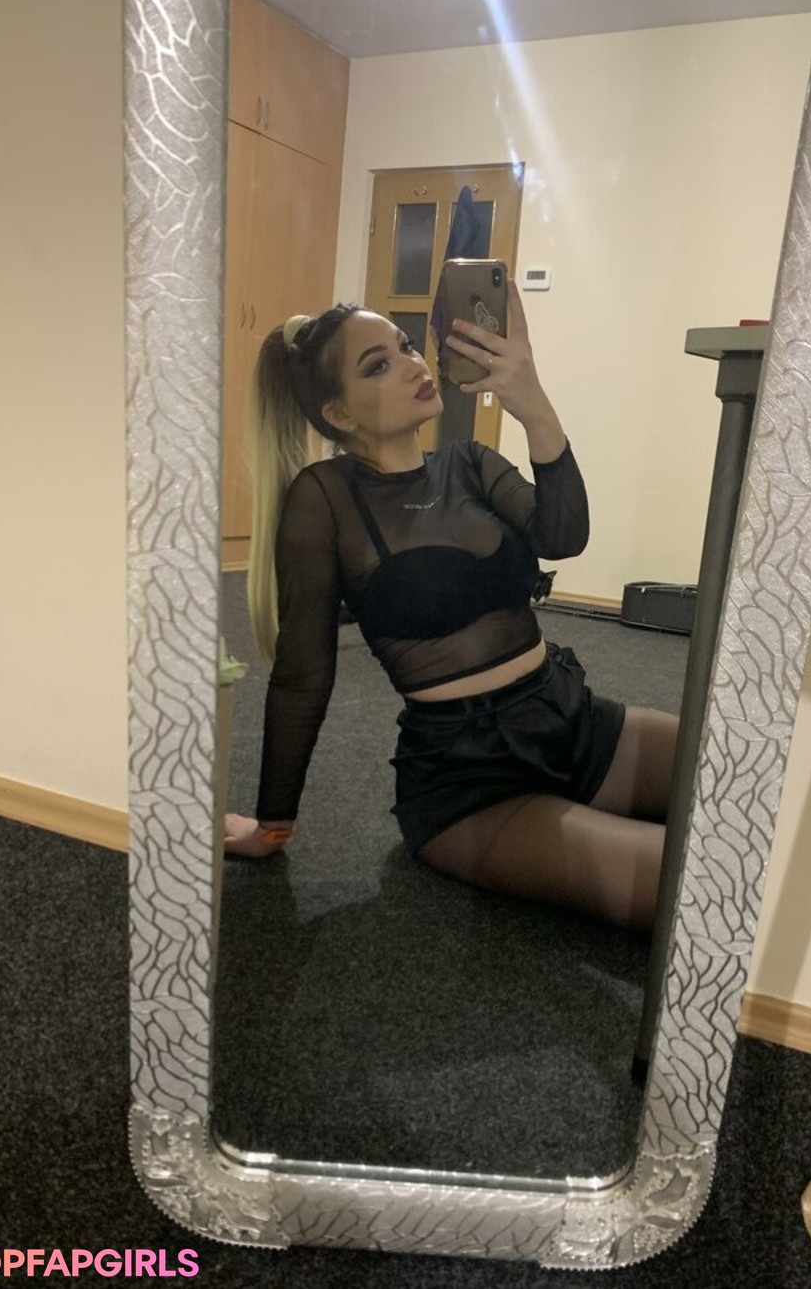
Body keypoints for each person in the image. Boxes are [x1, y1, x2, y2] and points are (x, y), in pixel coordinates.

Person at [224, 281, 678, 930]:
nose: (412, 363)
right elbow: (302, 674)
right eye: (377, 365)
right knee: (694, 884)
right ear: (340, 414)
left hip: (570, 720)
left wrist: (532, 402)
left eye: (406, 346)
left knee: (751, 778)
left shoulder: (470, 464)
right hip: (470, 785)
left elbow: (562, 536)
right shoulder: (325, 498)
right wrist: (273, 824)